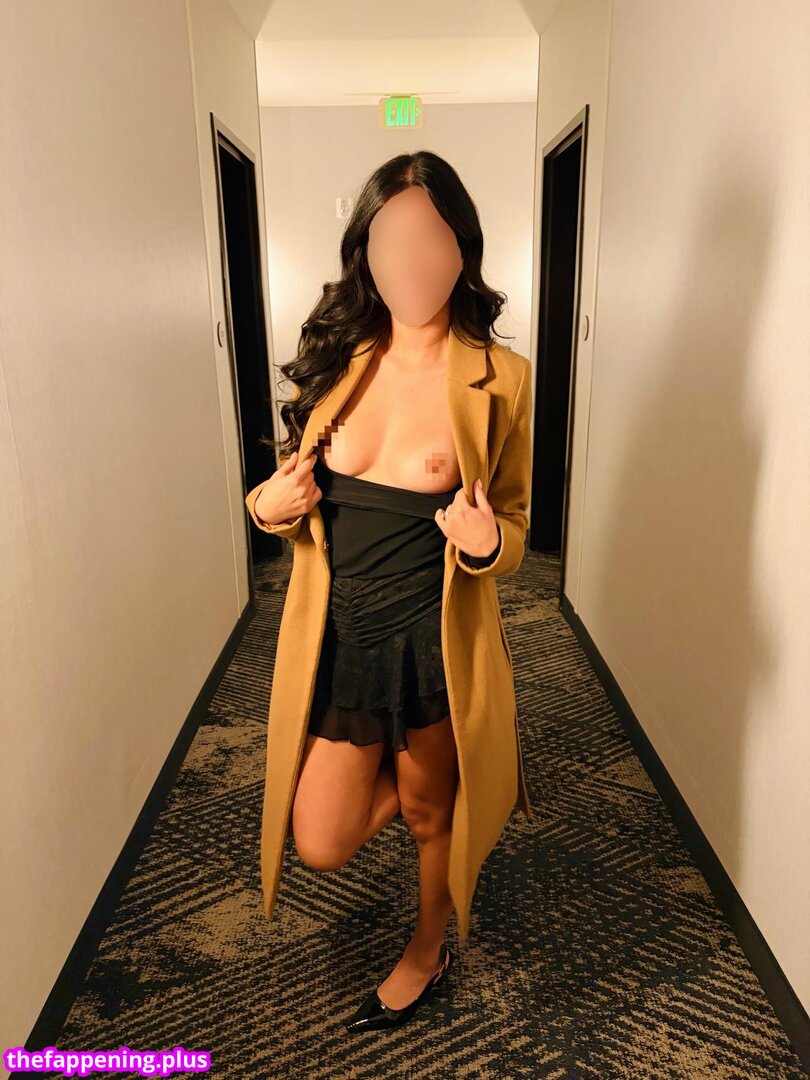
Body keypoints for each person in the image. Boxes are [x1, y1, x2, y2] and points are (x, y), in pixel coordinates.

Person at [249, 150, 532, 1032]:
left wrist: (491, 543)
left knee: (427, 816)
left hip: (432, 637)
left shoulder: (500, 377)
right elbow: (287, 491)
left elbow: (516, 521)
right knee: (320, 840)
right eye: (390, 239)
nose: (411, 260)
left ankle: (427, 944)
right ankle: (436, 790)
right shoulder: (337, 356)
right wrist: (265, 508)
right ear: (364, 253)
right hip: (340, 634)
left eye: (431, 237)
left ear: (462, 249)